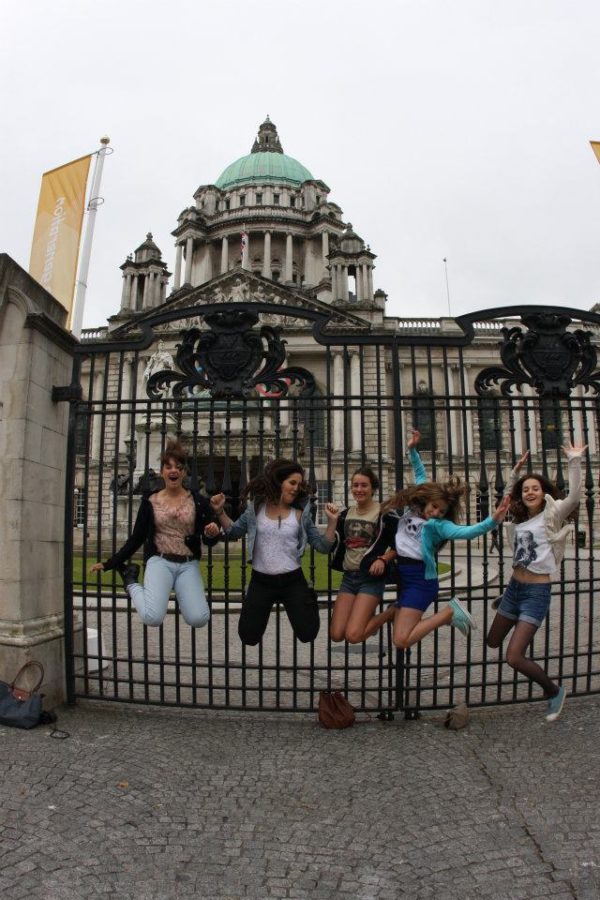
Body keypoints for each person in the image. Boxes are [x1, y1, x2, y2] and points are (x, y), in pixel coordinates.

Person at [363, 430, 510, 648]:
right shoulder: (414, 508)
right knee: (401, 635)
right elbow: (420, 473)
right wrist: (412, 449)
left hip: (421, 581)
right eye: (434, 507)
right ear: (426, 501)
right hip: (405, 575)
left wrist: (493, 520)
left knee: (401, 640)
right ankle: (408, 613)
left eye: (441, 511)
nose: (435, 513)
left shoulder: (438, 526)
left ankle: (449, 612)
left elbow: (467, 532)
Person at [486, 442, 586, 722]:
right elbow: (505, 501)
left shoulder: (552, 516)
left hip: (536, 592)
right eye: (526, 489)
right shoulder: (517, 522)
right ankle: (507, 608)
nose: (530, 492)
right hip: (514, 588)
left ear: (544, 494)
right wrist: (514, 475)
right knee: (492, 641)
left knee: (514, 657)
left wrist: (575, 461)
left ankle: (553, 691)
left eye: (535, 488)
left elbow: (575, 496)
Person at [90, 440, 219, 627]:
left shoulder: (198, 501)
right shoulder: (150, 501)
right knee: (153, 617)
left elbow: (210, 538)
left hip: (188, 564)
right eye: (168, 467)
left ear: (184, 473)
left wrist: (212, 532)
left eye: (178, 467)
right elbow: (136, 538)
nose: (173, 470)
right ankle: (130, 581)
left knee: (199, 618)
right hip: (160, 561)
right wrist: (111, 563)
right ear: (162, 472)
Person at [210, 459, 339, 645]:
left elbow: (323, 546)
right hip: (261, 581)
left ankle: (307, 596)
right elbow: (233, 532)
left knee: (307, 633)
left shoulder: (301, 514)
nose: (296, 488)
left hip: (292, 580)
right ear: (279, 482)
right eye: (292, 483)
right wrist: (220, 512)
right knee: (249, 636)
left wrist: (332, 521)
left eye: (299, 484)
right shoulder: (255, 510)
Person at [329, 466, 396, 644]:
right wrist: (332, 521)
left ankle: (391, 612)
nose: (359, 490)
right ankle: (366, 619)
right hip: (349, 578)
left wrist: (383, 558)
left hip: (370, 578)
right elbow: (330, 543)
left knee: (353, 636)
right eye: (355, 485)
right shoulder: (345, 514)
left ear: (373, 489)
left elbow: (399, 546)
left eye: (364, 485)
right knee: (336, 635)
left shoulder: (385, 514)